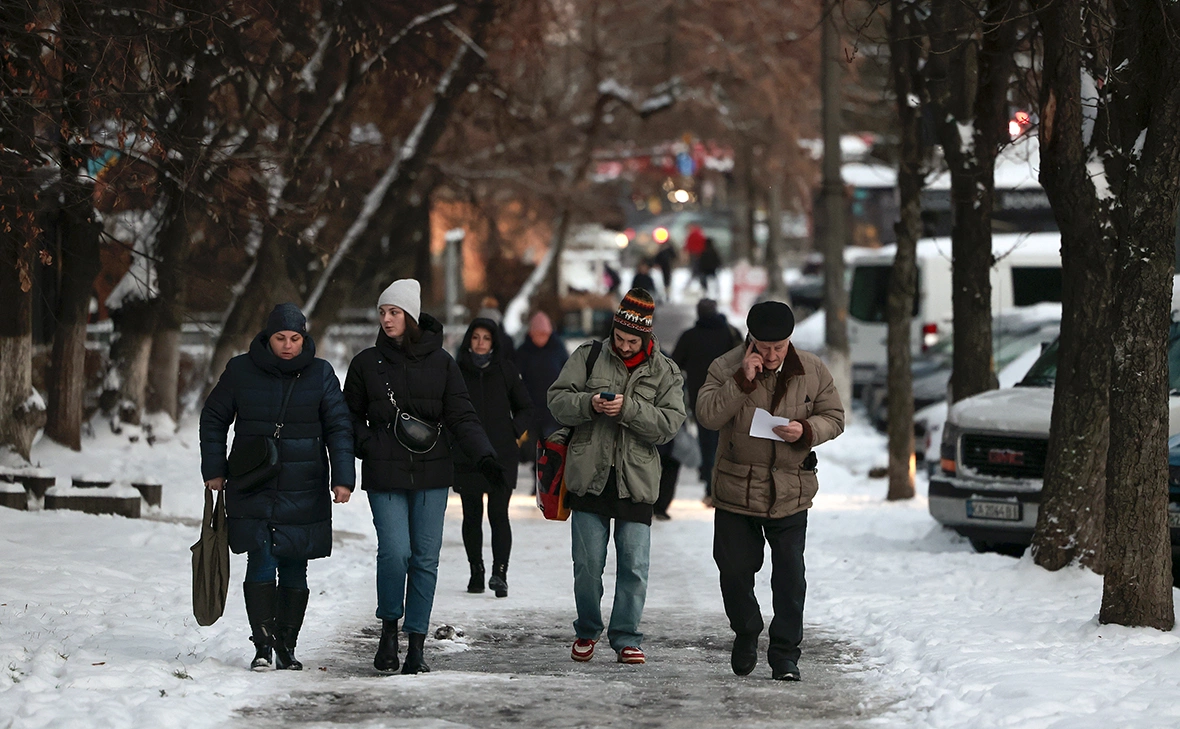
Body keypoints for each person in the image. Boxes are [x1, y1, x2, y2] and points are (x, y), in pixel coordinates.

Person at [343, 279, 506, 675]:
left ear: (411, 316)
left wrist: (485, 455)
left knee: (425, 559)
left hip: (433, 473)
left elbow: (462, 415)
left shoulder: (443, 363)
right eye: (382, 312)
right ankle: (388, 631)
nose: (386, 319)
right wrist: (371, 444)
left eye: (394, 312)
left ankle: (416, 644)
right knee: (395, 551)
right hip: (385, 473)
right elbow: (346, 418)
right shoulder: (366, 363)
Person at [200, 303, 354, 672]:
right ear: (268, 338)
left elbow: (339, 426)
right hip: (254, 482)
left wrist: (343, 477)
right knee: (261, 556)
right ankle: (263, 645)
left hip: (304, 485)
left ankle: (287, 645)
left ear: (305, 338)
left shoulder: (320, 374)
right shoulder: (241, 370)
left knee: (295, 565)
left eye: (294, 338)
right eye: (280, 338)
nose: (287, 345)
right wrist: (214, 469)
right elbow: (214, 417)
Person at [696, 301, 844, 682]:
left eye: (780, 347)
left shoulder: (811, 369)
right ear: (751, 340)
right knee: (734, 572)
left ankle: (785, 655)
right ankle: (746, 631)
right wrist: (741, 381)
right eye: (764, 346)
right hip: (736, 490)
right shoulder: (724, 367)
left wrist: (807, 431)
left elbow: (835, 417)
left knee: (791, 578)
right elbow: (708, 415)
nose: (773, 355)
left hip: (791, 489)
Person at [548, 287, 686, 665]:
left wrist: (629, 409)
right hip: (588, 474)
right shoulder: (588, 356)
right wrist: (588, 404)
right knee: (588, 565)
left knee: (635, 567)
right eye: (619, 337)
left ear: (646, 337)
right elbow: (557, 399)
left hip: (636, 482)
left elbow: (669, 425)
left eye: (631, 340)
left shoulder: (665, 371)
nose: (623, 345)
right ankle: (587, 630)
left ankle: (626, 636)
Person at [454, 317, 534, 598]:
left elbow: (525, 407)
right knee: (471, 515)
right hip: (468, 455)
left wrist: (511, 430)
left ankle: (500, 573)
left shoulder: (505, 370)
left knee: (499, 514)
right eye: (475, 337)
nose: (480, 343)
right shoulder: (457, 371)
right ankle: (476, 569)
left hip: (501, 454)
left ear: (493, 342)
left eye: (485, 338)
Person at [671, 299, 743, 507]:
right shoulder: (730, 333)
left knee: (708, 444)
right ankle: (727, 488)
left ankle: (711, 488)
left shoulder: (690, 337)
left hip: (701, 400)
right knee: (728, 442)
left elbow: (675, 365)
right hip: (729, 397)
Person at [515, 311, 569, 457]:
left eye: (544, 334)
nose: (541, 338)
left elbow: (569, 375)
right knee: (535, 453)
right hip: (532, 409)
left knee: (551, 451)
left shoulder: (558, 349)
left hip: (553, 409)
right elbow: (515, 380)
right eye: (537, 334)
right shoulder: (523, 351)